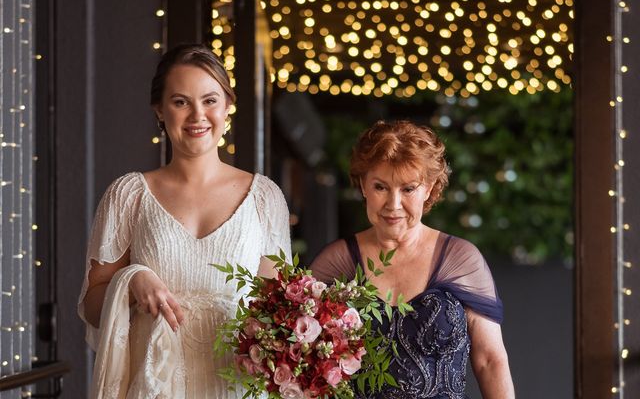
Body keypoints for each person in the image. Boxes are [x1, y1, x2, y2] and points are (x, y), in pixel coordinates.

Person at [78, 44, 291, 398]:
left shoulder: (264, 198)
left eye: (209, 100)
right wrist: (131, 281)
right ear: (159, 110)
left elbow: (275, 310)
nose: (197, 115)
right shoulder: (129, 194)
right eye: (180, 102)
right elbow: (91, 307)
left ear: (227, 106)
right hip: (155, 387)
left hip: (234, 388)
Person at [310, 120, 514, 399]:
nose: (393, 204)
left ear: (428, 189)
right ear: (362, 186)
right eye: (380, 187)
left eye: (408, 189)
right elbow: (305, 362)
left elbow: (490, 361)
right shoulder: (336, 262)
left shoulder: (460, 259)